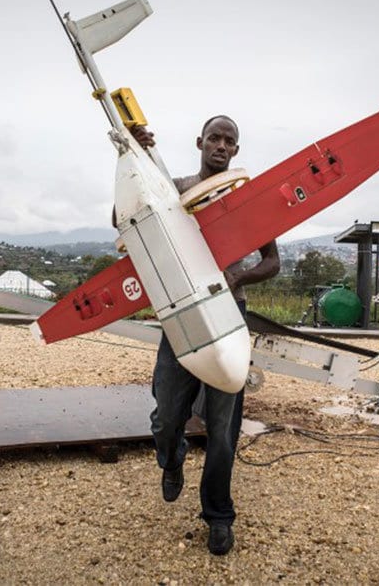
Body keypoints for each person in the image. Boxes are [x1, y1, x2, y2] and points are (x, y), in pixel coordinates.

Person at [130, 115, 280, 556]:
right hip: (182, 317)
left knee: (222, 427)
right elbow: (124, 218)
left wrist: (239, 278)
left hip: (229, 316)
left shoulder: (246, 200)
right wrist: (136, 155)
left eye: (229, 141)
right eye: (214, 137)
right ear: (200, 142)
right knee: (166, 415)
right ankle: (171, 457)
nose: (221, 145)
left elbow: (272, 262)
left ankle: (218, 516)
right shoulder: (175, 189)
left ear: (236, 150)